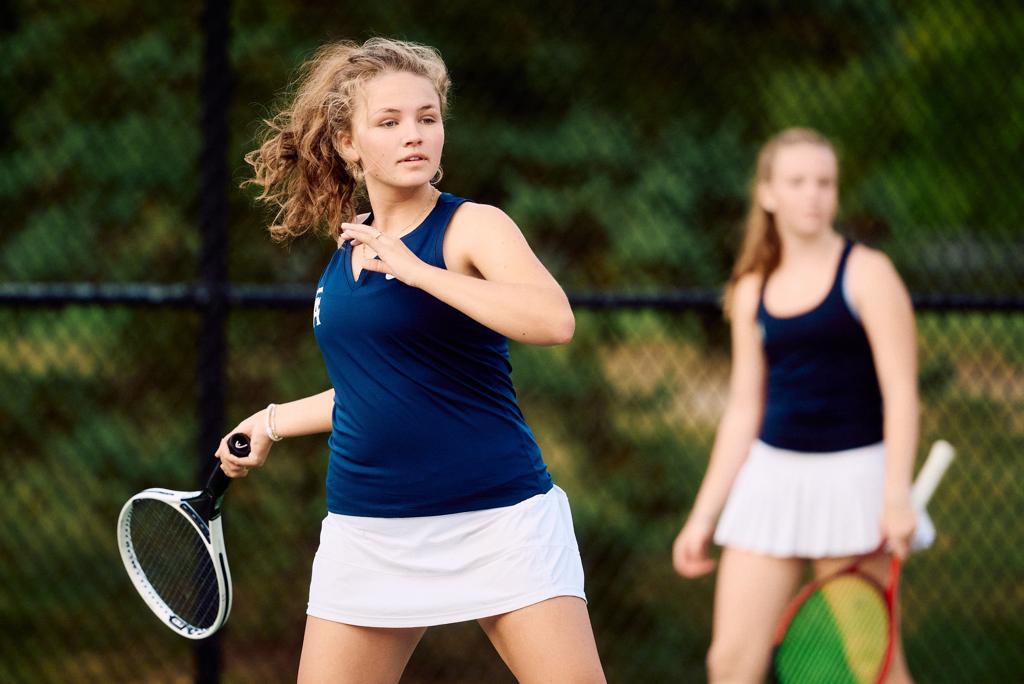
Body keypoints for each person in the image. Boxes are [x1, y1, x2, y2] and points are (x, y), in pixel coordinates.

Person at [220, 38, 606, 684]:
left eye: (427, 117)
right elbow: (379, 389)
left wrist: (417, 271)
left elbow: (553, 320)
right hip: (369, 529)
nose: (414, 134)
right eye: (390, 121)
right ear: (348, 143)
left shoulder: (473, 226)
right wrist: (271, 421)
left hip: (498, 520)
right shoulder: (348, 251)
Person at [671, 128, 919, 683]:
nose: (813, 194)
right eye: (798, 181)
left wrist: (896, 493)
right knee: (729, 663)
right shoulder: (751, 288)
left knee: (873, 666)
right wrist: (703, 517)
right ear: (767, 193)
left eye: (825, 182)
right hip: (770, 482)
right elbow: (744, 409)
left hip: (856, 484)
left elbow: (902, 393)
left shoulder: (869, 273)